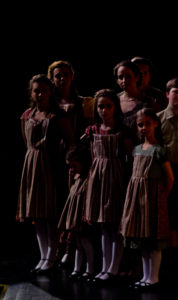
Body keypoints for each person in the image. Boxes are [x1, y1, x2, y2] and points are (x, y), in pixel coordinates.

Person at [16, 74, 70, 274]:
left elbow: (70, 141)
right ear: (31, 93)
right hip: (32, 166)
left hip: (51, 166)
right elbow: (26, 141)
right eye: (36, 91)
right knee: (36, 215)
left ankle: (52, 255)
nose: (40, 94)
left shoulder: (57, 116)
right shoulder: (27, 115)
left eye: (44, 91)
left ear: (50, 93)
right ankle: (43, 255)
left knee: (49, 214)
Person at [82, 89, 134, 285]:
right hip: (98, 177)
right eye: (100, 106)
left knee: (115, 224)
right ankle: (105, 267)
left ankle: (114, 267)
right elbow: (92, 156)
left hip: (116, 177)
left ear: (115, 107)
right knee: (104, 225)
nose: (104, 110)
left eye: (108, 106)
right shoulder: (94, 130)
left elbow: (129, 158)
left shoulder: (122, 131)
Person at [120, 108, 174, 291]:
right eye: (140, 125)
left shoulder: (159, 150)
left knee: (153, 240)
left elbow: (170, 177)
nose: (143, 128)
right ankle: (145, 275)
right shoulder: (136, 149)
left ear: (155, 124)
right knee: (142, 240)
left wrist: (161, 196)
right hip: (138, 199)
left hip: (153, 198)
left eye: (147, 124)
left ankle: (154, 277)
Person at [47, 60, 94, 267]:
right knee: (55, 205)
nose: (62, 79)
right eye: (57, 76)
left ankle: (72, 250)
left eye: (65, 74)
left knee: (74, 206)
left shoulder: (83, 103)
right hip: (53, 158)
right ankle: (55, 250)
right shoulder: (48, 104)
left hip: (76, 158)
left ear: (72, 76)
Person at [157, 77, 178, 247]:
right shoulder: (158, 120)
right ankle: (171, 260)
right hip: (166, 172)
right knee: (168, 215)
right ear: (167, 94)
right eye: (176, 92)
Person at [57, 144, 95, 282]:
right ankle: (77, 269)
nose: (72, 168)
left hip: (82, 214)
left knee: (85, 241)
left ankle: (90, 269)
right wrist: (70, 177)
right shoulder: (76, 176)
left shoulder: (88, 178)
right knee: (77, 243)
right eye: (70, 166)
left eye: (74, 165)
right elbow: (71, 191)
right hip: (74, 214)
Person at [113, 59, 149, 144]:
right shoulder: (114, 100)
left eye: (128, 76)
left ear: (136, 77)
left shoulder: (147, 102)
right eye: (120, 77)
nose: (124, 80)